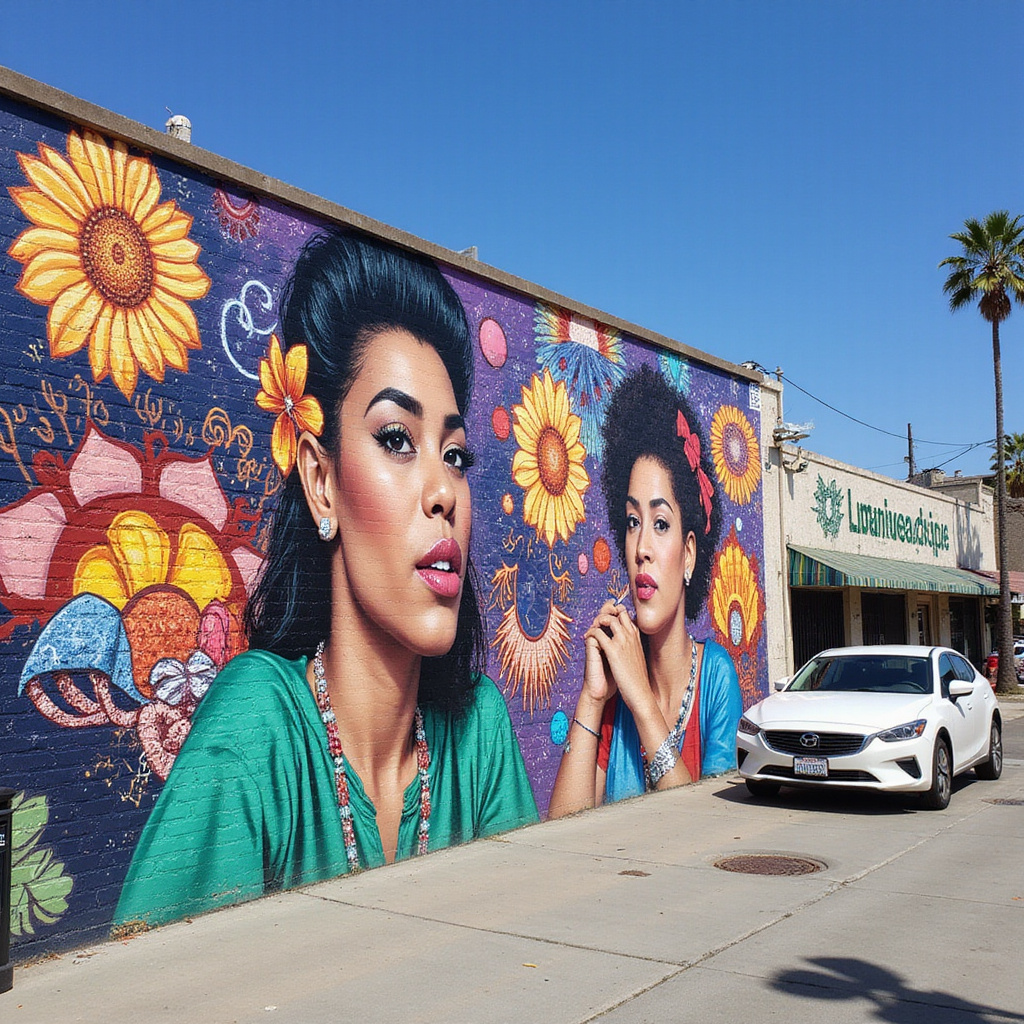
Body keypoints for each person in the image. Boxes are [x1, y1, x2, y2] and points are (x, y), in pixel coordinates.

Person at [116, 232, 537, 927]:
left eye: (456, 454)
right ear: (320, 482)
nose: (445, 493)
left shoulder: (478, 729)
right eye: (397, 439)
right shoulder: (259, 727)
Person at [548, 364, 741, 817]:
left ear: (689, 554)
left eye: (660, 523)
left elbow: (710, 827)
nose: (642, 549)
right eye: (633, 523)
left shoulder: (715, 677)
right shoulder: (612, 684)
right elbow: (557, 836)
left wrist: (639, 698)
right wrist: (595, 697)